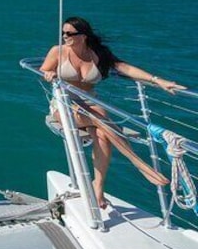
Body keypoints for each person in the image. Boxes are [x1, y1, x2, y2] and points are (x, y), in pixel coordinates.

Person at [40, 17, 185, 209]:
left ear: (83, 36)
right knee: (100, 116)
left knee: (102, 133)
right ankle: (139, 163)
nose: (64, 36)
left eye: (70, 33)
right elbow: (44, 69)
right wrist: (49, 73)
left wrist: (157, 80)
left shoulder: (98, 53)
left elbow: (124, 67)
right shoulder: (57, 51)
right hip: (64, 105)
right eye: (63, 33)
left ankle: (98, 188)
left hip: (91, 103)